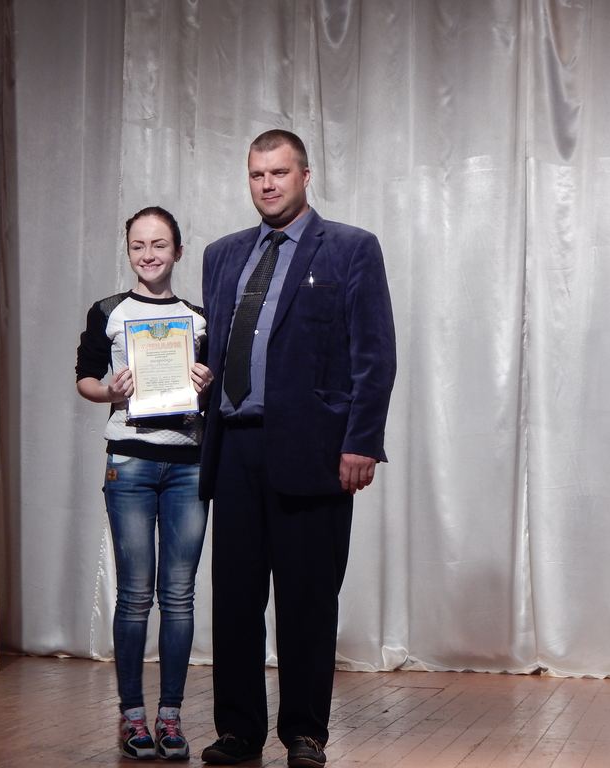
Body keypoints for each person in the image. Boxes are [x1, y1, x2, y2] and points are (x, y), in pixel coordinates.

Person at [198, 130, 397, 768]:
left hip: (314, 450)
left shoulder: (351, 248)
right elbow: (216, 347)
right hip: (234, 448)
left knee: (308, 599)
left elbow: (374, 355)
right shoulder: (222, 255)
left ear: (305, 176)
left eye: (279, 173)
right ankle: (238, 730)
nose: (267, 184)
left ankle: (306, 733)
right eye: (257, 174)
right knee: (234, 599)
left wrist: (361, 441)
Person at [76, 206, 214, 761]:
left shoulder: (198, 319)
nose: (148, 254)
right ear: (128, 250)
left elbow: (215, 391)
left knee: (178, 596)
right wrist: (110, 391)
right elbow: (85, 379)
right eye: (138, 245)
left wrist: (206, 381)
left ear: (178, 250)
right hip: (129, 464)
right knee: (135, 595)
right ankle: (132, 715)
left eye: (159, 245)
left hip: (189, 466)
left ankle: (171, 717)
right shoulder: (109, 311)